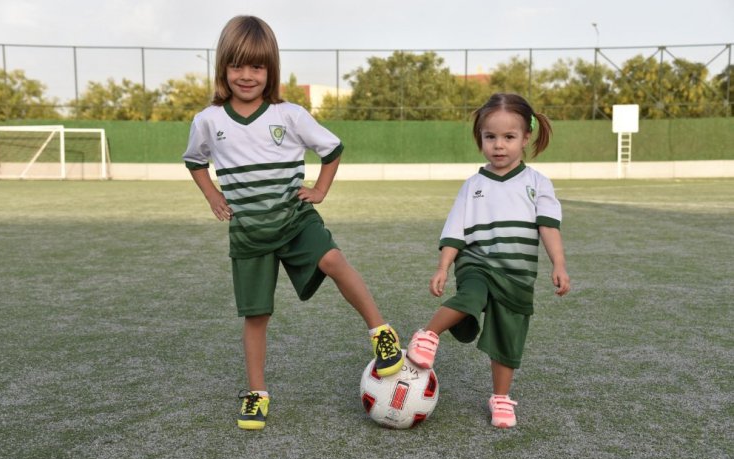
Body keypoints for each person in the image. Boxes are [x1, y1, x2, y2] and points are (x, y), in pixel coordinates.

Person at [182, 15, 403, 431]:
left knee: (335, 260)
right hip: (249, 232)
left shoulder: (290, 114)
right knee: (256, 316)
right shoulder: (208, 120)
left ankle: (381, 333)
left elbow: (332, 149)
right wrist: (213, 195)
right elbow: (194, 161)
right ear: (222, 68)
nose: (247, 76)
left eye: (257, 66)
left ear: (271, 70)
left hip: (294, 219)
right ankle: (256, 394)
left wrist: (319, 190)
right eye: (237, 65)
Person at [406, 93, 571, 428]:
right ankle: (428, 335)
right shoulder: (473, 185)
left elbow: (549, 227)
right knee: (471, 295)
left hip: (518, 276)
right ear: (480, 138)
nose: (499, 145)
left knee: (506, 338)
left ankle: (500, 398)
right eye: (490, 137)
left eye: (509, 137)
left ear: (526, 138)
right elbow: (455, 229)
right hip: (476, 262)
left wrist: (559, 264)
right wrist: (443, 266)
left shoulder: (537, 183)